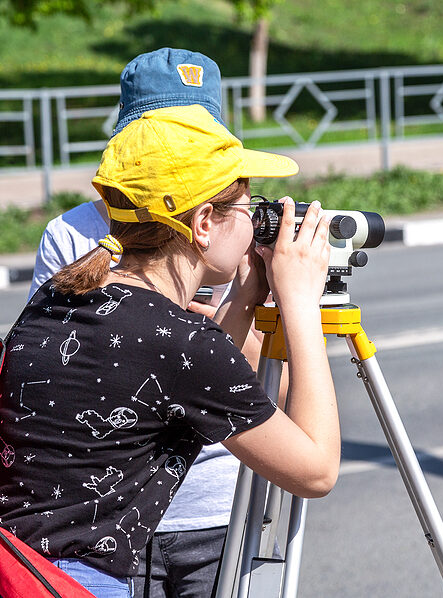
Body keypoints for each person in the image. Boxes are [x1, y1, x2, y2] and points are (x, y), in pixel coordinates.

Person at [0, 101, 340, 598]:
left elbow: (178, 384)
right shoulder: (181, 341)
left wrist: (246, 297)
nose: (256, 224)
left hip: (21, 571)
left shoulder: (62, 294)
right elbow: (316, 471)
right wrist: (301, 303)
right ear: (203, 224)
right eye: (249, 208)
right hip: (84, 586)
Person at [25, 48, 277, 598]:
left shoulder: (234, 225)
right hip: (118, 505)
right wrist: (171, 335)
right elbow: (70, 381)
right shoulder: (72, 237)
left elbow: (257, 378)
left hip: (215, 498)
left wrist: (218, 333)